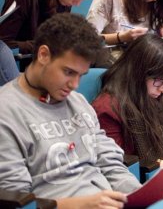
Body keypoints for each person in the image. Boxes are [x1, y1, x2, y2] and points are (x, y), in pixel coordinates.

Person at [0, 13, 142, 207]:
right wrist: (79, 204)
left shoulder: (77, 102)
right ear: (43, 55)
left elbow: (110, 163)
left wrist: (141, 195)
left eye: (81, 75)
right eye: (68, 72)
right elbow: (18, 201)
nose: (75, 85)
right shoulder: (6, 112)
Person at [92, 34, 163, 170]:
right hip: (137, 184)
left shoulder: (156, 97)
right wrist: (162, 165)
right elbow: (117, 168)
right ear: (139, 74)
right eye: (160, 81)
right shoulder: (109, 108)